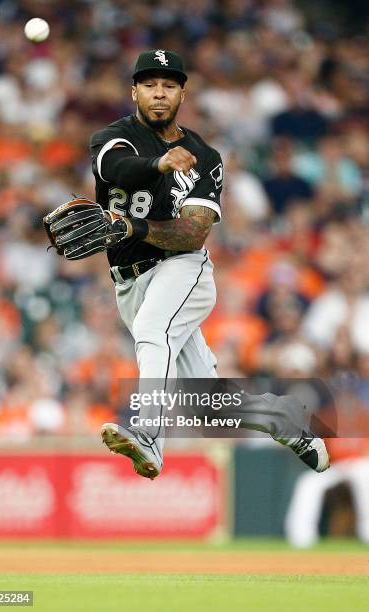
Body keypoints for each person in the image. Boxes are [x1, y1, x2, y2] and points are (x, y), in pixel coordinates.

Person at [83, 50, 330, 479]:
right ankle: (284, 419)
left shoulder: (203, 156)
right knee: (205, 405)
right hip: (129, 284)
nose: (159, 93)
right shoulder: (113, 137)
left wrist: (131, 229)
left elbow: (193, 232)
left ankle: (148, 437)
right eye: (149, 84)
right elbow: (117, 168)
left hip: (184, 270)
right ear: (134, 91)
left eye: (169, 85)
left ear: (182, 93)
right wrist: (158, 163)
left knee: (152, 331)